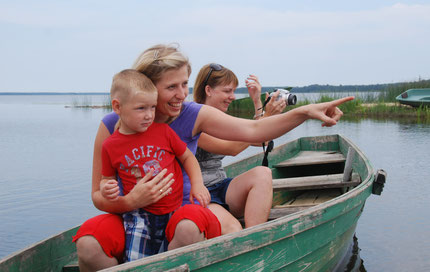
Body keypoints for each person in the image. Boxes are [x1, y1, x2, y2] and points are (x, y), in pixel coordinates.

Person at [74, 43, 354, 271]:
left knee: (189, 226)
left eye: (185, 84)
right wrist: (130, 201)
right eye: (172, 87)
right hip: (130, 216)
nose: (182, 95)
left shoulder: (191, 114)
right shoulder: (112, 124)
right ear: (147, 84)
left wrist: (304, 112)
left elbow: (255, 130)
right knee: (87, 244)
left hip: (180, 216)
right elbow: (98, 195)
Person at [99, 69, 212, 262]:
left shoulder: (163, 132)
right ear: (117, 107)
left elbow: (187, 157)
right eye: (141, 108)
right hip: (138, 216)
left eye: (152, 107)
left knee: (170, 257)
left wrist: (198, 184)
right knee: (136, 262)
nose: (149, 115)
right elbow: (106, 178)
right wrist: (106, 188)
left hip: (174, 208)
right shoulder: (110, 145)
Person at [193, 64, 286, 234]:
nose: (233, 97)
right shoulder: (193, 119)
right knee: (233, 229)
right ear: (208, 90)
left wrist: (257, 101)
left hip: (223, 187)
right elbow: (231, 148)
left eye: (234, 91)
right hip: (201, 195)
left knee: (263, 173)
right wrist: (268, 117)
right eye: (227, 91)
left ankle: (254, 237)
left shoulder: (222, 118)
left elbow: (261, 141)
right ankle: (247, 246)